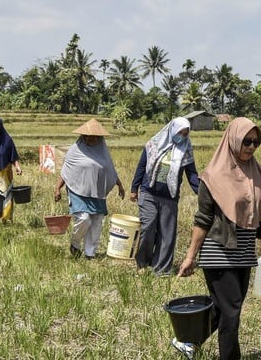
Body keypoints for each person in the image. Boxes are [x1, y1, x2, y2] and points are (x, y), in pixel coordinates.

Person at [176, 117, 261, 360]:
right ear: (233, 140)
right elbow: (202, 220)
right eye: (246, 141)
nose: (251, 147)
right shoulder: (212, 177)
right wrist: (190, 256)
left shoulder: (258, 172)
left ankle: (188, 339)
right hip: (219, 251)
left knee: (225, 308)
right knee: (232, 312)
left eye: (256, 142)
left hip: (244, 252)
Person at [130, 116, 200, 275]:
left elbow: (192, 175)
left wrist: (201, 193)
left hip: (170, 197)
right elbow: (142, 166)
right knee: (148, 228)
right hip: (149, 193)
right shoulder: (153, 145)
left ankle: (161, 269)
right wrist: (134, 188)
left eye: (185, 133)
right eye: (179, 132)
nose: (181, 136)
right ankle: (143, 262)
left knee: (167, 234)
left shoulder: (186, 150)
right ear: (172, 130)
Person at [53, 118, 125, 259]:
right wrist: (57, 189)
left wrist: (120, 185)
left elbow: (109, 169)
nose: (91, 138)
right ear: (83, 136)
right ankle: (75, 243)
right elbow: (66, 172)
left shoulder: (103, 151)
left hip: (97, 191)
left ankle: (90, 253)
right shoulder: (75, 150)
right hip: (77, 190)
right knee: (84, 219)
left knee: (97, 221)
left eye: (95, 136)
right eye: (88, 136)